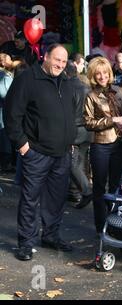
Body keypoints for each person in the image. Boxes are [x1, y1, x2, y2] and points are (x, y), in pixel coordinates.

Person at [4, 43, 77, 261]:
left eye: (64, 62)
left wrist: (69, 139)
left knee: (56, 198)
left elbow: (68, 113)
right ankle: (26, 243)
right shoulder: (27, 79)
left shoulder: (65, 81)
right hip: (36, 152)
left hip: (62, 152)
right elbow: (12, 114)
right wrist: (21, 144)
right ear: (45, 57)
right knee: (30, 198)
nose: (60, 65)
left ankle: (51, 235)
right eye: (57, 60)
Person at [84, 57, 122, 234]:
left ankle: (116, 225)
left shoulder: (119, 90)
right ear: (93, 75)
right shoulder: (91, 96)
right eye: (98, 73)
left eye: (105, 72)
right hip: (101, 145)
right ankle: (100, 226)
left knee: (117, 186)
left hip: (121, 144)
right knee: (99, 187)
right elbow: (88, 122)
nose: (102, 76)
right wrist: (111, 120)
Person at [65, 60, 93, 209]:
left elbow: (65, 113)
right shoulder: (86, 87)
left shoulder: (66, 88)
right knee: (79, 162)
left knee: (72, 164)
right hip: (87, 130)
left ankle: (86, 191)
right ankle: (77, 192)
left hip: (74, 130)